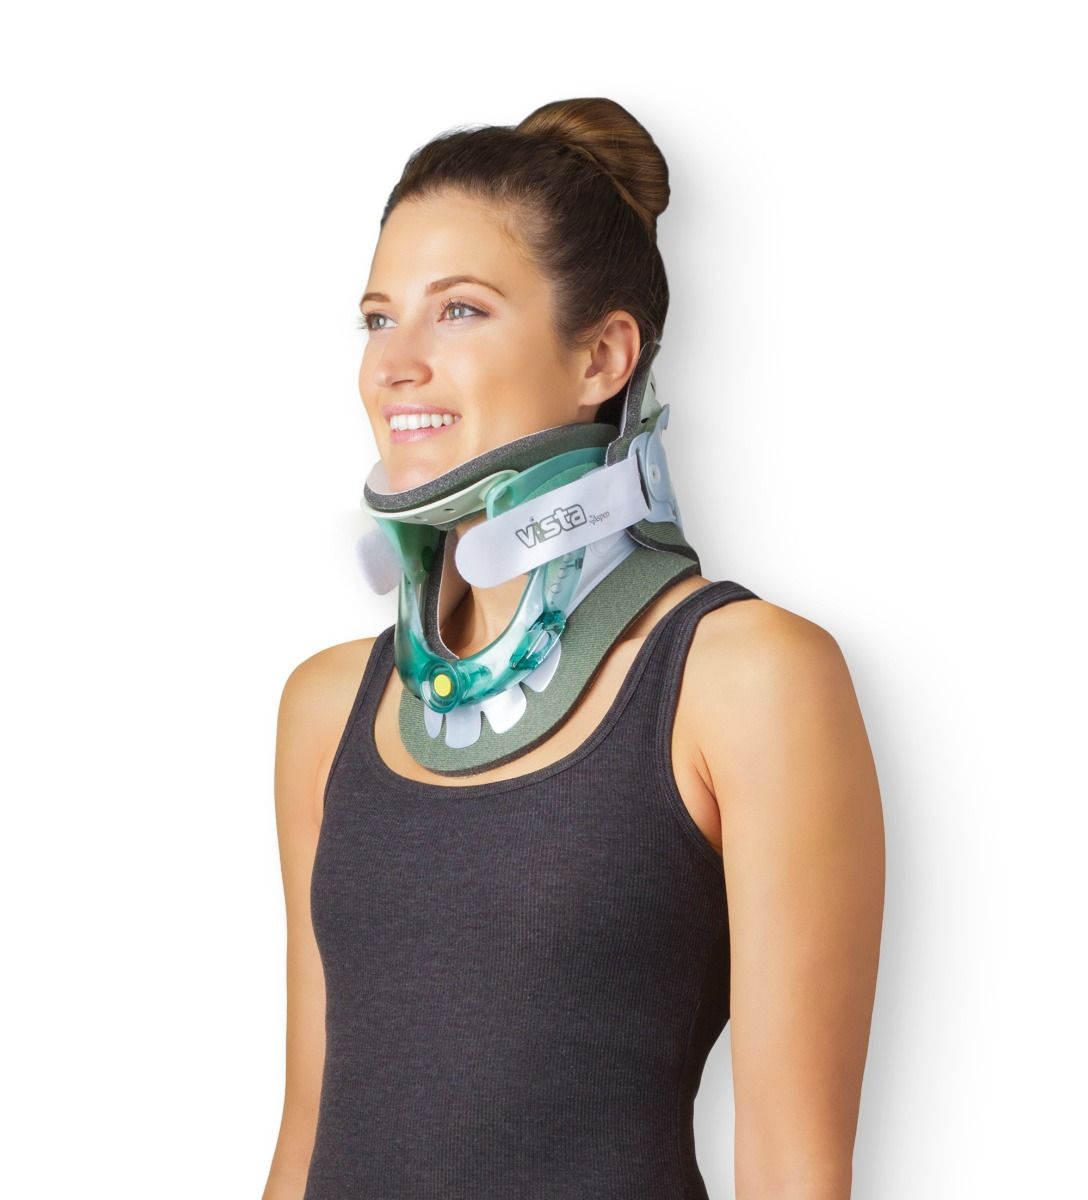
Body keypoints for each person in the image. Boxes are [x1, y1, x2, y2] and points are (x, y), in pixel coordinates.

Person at [261, 97, 884, 1200]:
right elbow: (307, 1137)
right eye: (377, 319)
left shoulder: (747, 681)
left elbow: (795, 1173)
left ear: (603, 355)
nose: (394, 363)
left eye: (458, 310)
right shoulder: (327, 706)